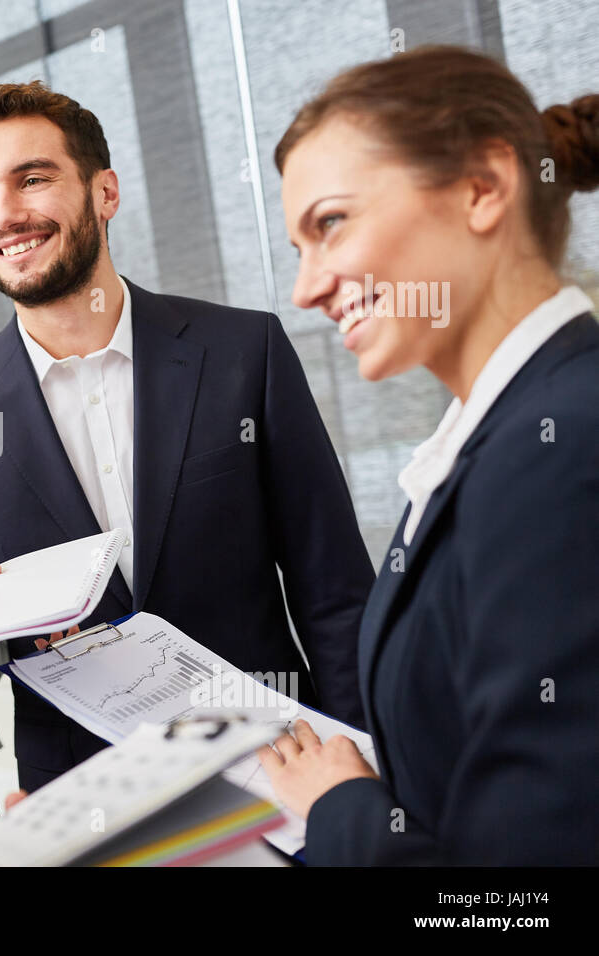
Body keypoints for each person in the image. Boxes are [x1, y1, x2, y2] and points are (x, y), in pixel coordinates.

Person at [0, 81, 375, 791]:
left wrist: (364, 766)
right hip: (80, 797)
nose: (5, 215)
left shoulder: (243, 351)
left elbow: (334, 591)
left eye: (32, 179)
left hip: (274, 770)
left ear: (105, 193)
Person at [259, 45, 599, 865]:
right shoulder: (494, 440)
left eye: (330, 223)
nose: (306, 288)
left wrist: (342, 812)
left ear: (484, 187)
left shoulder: (558, 454)